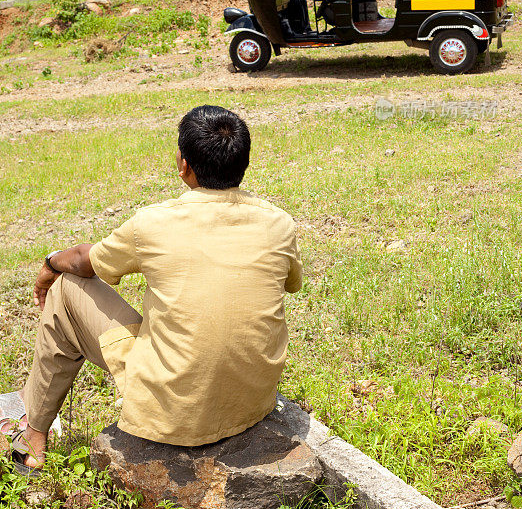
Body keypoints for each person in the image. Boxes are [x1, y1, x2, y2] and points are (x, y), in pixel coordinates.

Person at [3, 105, 302, 473]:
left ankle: (32, 435)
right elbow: (291, 284)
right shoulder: (279, 223)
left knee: (67, 288)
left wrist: (50, 265)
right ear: (243, 162)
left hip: (172, 412)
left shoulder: (154, 223)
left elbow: (84, 262)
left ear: (184, 165)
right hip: (254, 404)